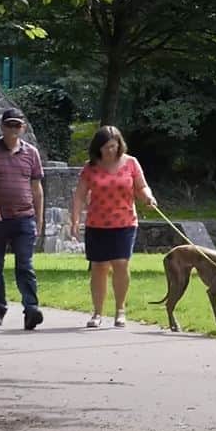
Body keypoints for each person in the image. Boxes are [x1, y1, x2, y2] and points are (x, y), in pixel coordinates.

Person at [69, 125, 156, 329]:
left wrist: (148, 197)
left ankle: (120, 310)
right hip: (97, 224)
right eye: (106, 147)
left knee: (120, 263)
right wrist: (74, 220)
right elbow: (80, 195)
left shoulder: (131, 163)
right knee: (99, 267)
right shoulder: (90, 167)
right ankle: (97, 313)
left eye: (114, 146)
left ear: (120, 145)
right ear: (98, 148)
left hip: (124, 222)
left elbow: (141, 186)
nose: (110, 151)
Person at [0, 108, 44, 330]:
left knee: (25, 265)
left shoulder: (31, 153)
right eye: (10, 125)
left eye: (18, 125)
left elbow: (37, 189)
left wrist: (39, 219)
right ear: (2, 127)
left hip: (24, 217)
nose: (14, 129)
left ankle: (31, 309)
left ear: (22, 128)